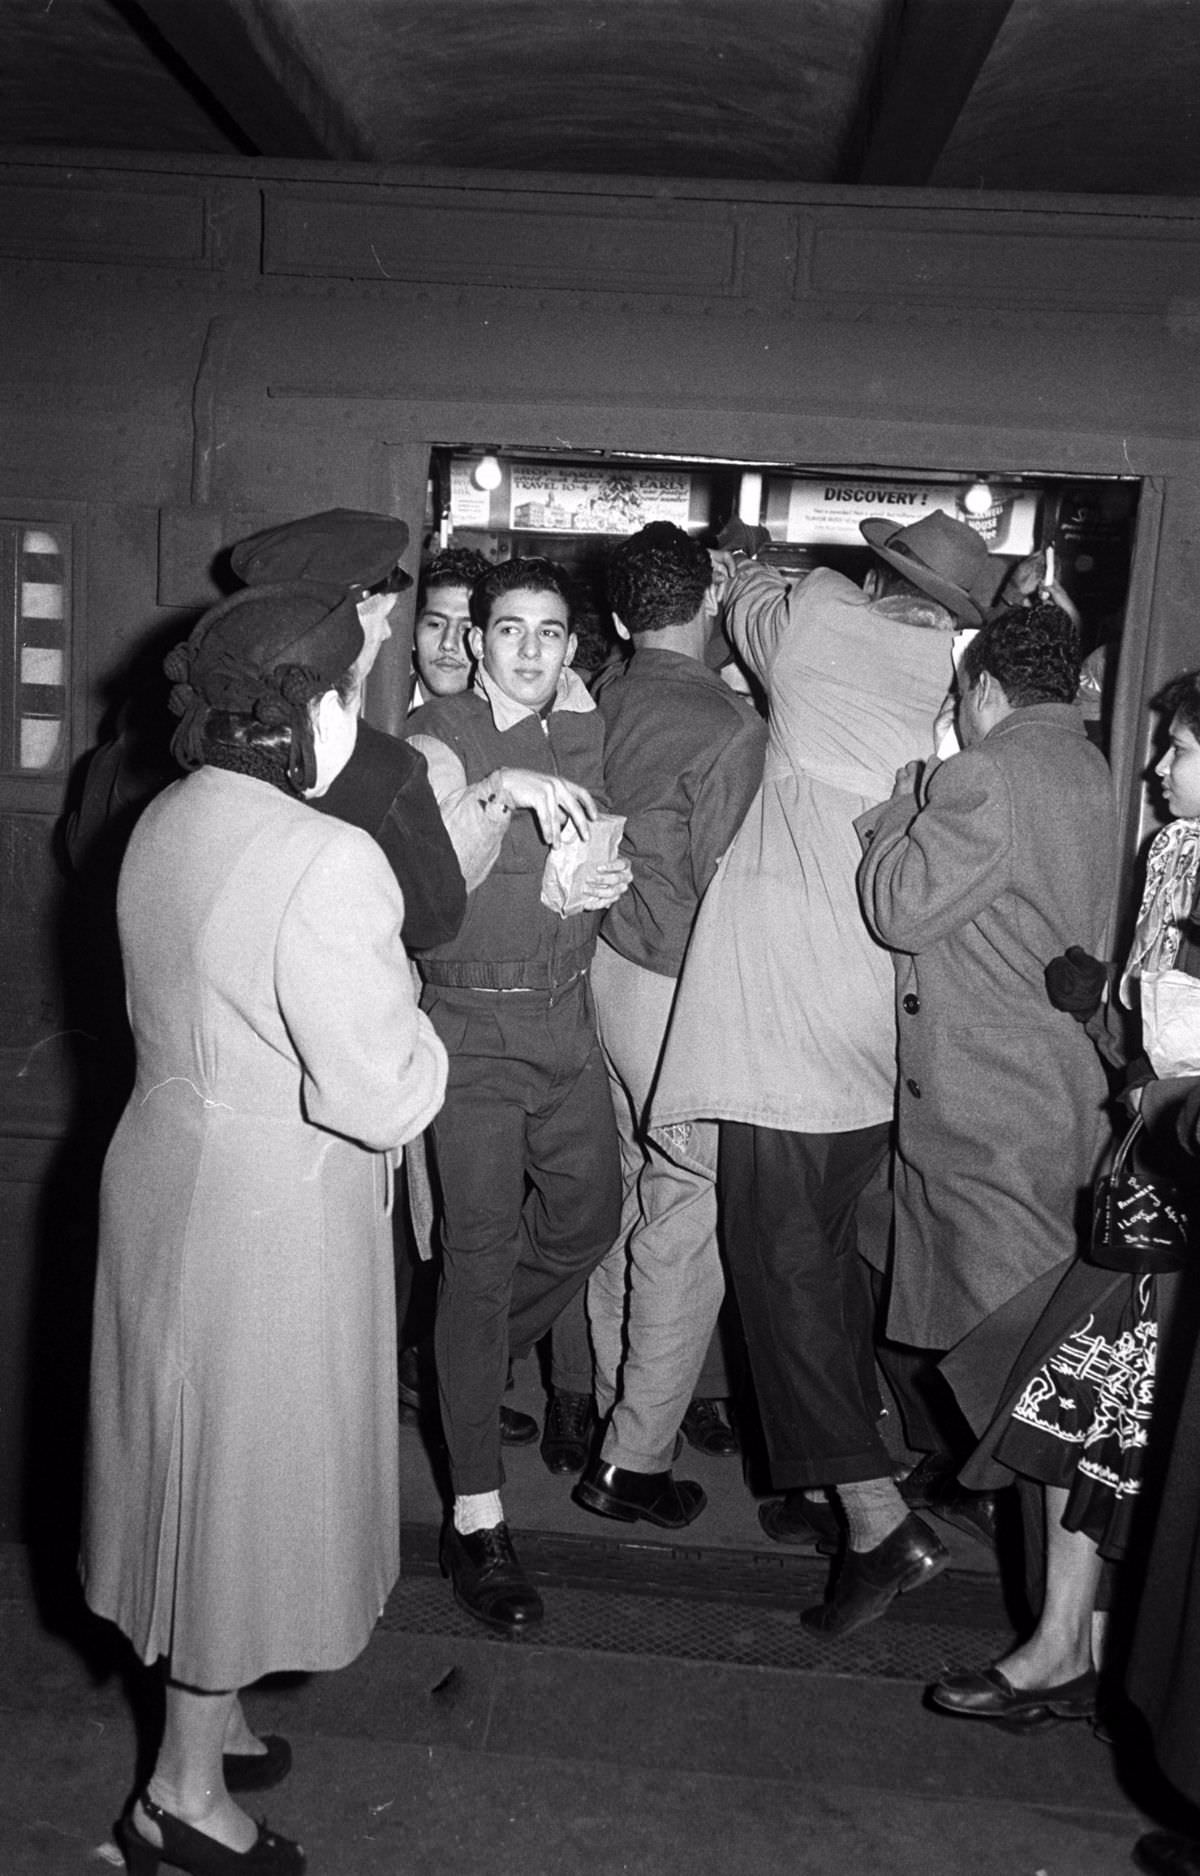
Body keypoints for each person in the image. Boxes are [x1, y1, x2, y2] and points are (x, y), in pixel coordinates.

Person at [80, 583, 448, 1874]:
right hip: (270, 1218)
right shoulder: (325, 859)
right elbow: (382, 1088)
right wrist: (424, 1021)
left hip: (169, 1175)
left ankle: (212, 1716)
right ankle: (177, 1798)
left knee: (182, 1469)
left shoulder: (168, 818)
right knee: (238, 1495)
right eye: (352, 689)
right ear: (317, 709)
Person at [652, 510, 999, 1635]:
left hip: (787, 1028)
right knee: (827, 1268)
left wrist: (749, 558)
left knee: (776, 1263)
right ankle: (829, 1481)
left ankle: (875, 1516)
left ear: (874, 575)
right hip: (870, 1032)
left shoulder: (822, 627)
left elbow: (751, 594)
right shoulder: (935, 686)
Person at [921, 668, 1195, 1739]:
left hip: (1177, 1201)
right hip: (1150, 1186)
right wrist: (1104, 1021)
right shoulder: (1174, 854)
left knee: (1077, 1407)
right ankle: (1067, 1644)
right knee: (1069, 1407)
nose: (1157, 767)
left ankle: (1076, 1651)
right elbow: (1156, 1042)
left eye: (1178, 747)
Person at [856, 603, 1116, 1652]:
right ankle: (1066, 1622)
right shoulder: (1093, 768)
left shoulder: (985, 774)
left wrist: (896, 807)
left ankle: (1062, 1637)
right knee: (1040, 1368)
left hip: (989, 1115)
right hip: (1053, 1101)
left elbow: (897, 910)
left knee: (1039, 1390)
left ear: (987, 694)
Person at [406, 555, 632, 1633]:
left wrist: (602, 886)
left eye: (550, 633)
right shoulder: (434, 735)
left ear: (571, 647)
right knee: (482, 1254)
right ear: (476, 641)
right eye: (510, 630)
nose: (530, 650)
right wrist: (502, 791)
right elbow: (432, 889)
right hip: (473, 1035)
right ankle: (477, 1515)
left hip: (565, 1021)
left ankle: (460, 1350)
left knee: (592, 1217)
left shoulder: (580, 728)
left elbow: (583, 858)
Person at [549, 522, 767, 1526]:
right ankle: (634, 1456)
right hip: (684, 991)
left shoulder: (586, 704)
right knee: (689, 1215)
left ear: (624, 615)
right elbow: (736, 883)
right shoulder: (730, 725)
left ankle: (610, 1409)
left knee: (623, 1198)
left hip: (595, 975)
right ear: (709, 605)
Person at [231, 507, 466, 952]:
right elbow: (437, 919)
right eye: (382, 617)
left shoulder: (194, 732)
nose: (388, 634)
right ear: (351, 622)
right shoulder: (384, 770)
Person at [410, 546, 491, 703]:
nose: (448, 644)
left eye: (467, 629)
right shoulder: (371, 708)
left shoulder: (512, 725)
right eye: (435, 624)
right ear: (412, 635)